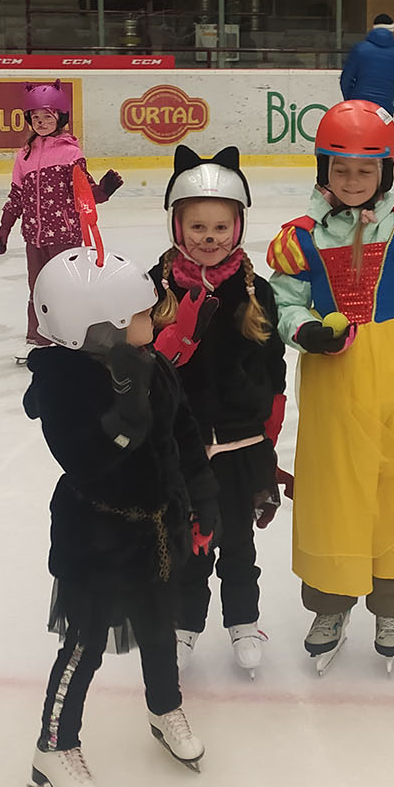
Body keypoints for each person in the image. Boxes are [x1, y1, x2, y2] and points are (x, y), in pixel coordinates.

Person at [265, 100, 394, 671]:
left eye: (366, 169)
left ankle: (392, 606)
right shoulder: (301, 238)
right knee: (334, 486)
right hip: (335, 371)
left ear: (385, 171)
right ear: (323, 169)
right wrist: (305, 330)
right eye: (341, 168)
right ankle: (330, 604)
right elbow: (284, 302)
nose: (353, 179)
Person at [23, 248, 218, 787]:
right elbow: (86, 462)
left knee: (159, 626)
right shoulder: (63, 383)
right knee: (84, 643)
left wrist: (202, 500)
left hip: (157, 527)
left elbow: (184, 437)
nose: (154, 317)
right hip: (97, 538)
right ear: (100, 323)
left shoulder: (152, 366)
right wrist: (125, 419)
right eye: (141, 312)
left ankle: (164, 706)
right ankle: (54, 746)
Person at [147, 146, 287, 677]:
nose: (210, 237)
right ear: (177, 227)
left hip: (239, 447)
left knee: (238, 545)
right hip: (180, 450)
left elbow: (273, 369)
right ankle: (184, 625)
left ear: (239, 226)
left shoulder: (254, 292)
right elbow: (137, 366)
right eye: (198, 226)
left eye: (221, 227)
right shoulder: (154, 286)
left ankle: (244, 622)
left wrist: (267, 434)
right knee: (188, 545)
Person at [0, 82, 123, 352]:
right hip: (34, 237)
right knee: (38, 288)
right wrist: (5, 226)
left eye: (47, 117)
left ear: (61, 118)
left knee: (65, 288)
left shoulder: (70, 153)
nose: (40, 122)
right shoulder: (24, 155)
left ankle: (72, 334)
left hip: (65, 235)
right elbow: (16, 193)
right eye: (35, 118)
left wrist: (103, 191)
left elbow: (83, 193)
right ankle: (38, 337)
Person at [340, 14, 394, 113]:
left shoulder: (360, 49)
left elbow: (346, 79)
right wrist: (389, 102)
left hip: (359, 106)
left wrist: (352, 100)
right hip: (384, 110)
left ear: (374, 28)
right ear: (392, 30)